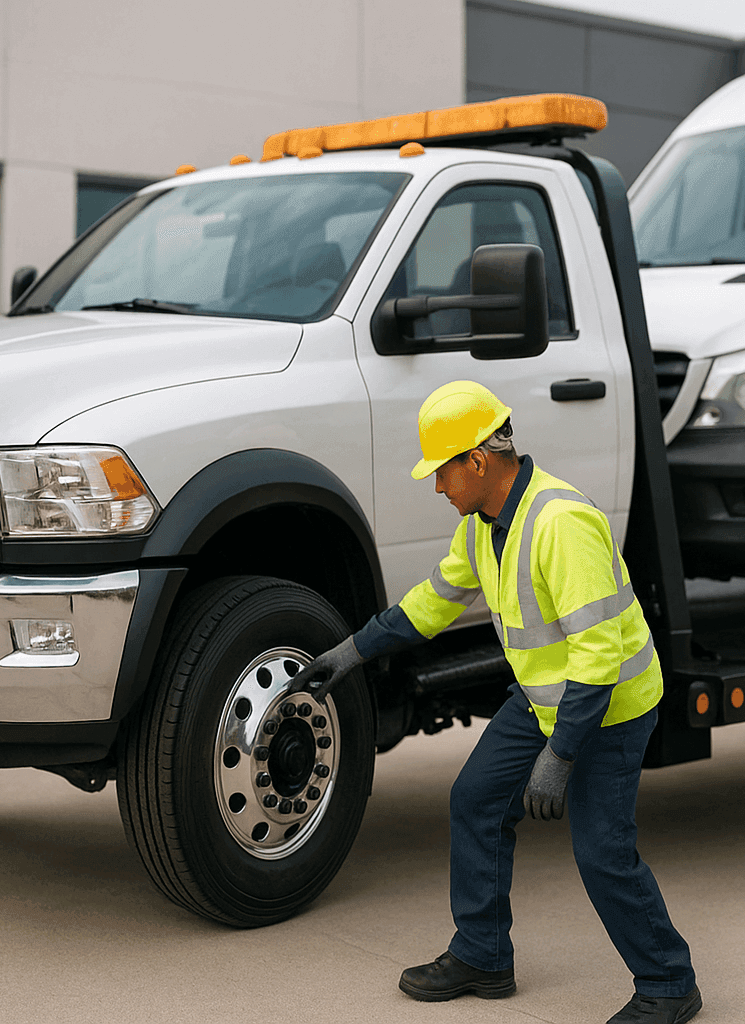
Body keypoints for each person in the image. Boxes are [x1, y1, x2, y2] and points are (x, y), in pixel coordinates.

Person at [293, 380, 701, 1024]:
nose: (437, 487)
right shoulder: (483, 525)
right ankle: (482, 955)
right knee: (476, 800)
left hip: (610, 707)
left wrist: (561, 756)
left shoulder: (561, 524)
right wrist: (352, 652)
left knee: (602, 852)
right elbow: (434, 601)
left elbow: (598, 657)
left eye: (441, 473)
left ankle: (669, 983)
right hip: (543, 700)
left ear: (478, 462)